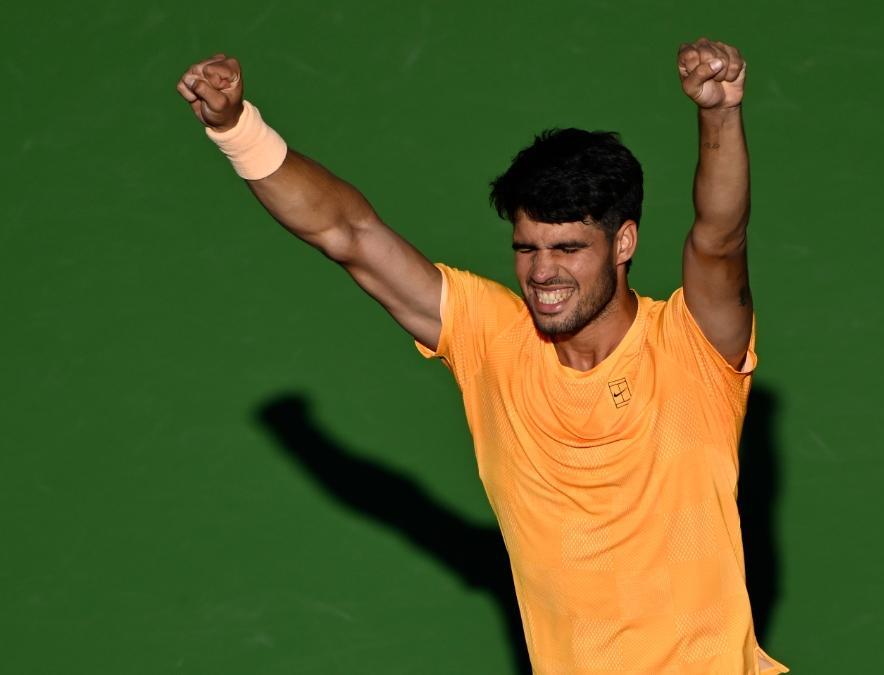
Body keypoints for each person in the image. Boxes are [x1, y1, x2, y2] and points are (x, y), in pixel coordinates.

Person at [177, 37, 787, 674]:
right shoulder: (491, 338)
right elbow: (348, 233)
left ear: (623, 242)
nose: (543, 273)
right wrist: (237, 129)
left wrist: (719, 112)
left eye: (568, 248)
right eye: (527, 248)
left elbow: (720, 239)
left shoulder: (694, 347)